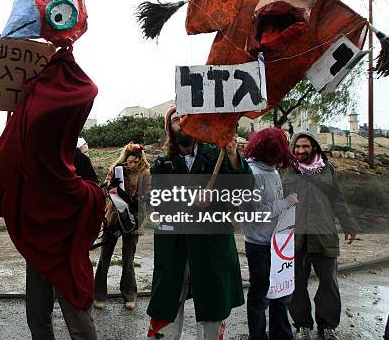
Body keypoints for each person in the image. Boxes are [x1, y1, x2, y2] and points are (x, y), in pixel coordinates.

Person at [146, 106, 251, 340]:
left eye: (186, 118)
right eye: (175, 120)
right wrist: (191, 199)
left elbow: (242, 192)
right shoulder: (162, 165)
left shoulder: (218, 156)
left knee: (212, 310)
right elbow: (158, 202)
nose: (182, 123)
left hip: (210, 246)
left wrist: (233, 156)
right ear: (169, 130)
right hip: (175, 248)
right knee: (167, 308)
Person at [282, 131, 357, 340]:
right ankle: (302, 325)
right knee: (297, 283)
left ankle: (328, 326)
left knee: (329, 283)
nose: (300, 151)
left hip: (324, 234)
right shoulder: (286, 170)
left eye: (305, 147)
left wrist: (349, 224)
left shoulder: (327, 169)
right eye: (297, 147)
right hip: (296, 237)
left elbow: (338, 199)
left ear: (314, 147)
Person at [241, 127, 298, 340]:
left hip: (278, 243)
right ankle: (257, 336)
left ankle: (281, 335)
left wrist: (286, 208)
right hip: (259, 244)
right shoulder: (252, 174)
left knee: (280, 292)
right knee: (260, 295)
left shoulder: (272, 170)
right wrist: (285, 203)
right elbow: (253, 215)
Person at [93, 142, 151, 311]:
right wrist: (110, 183)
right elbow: (104, 192)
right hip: (113, 217)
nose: (132, 164)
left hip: (133, 218)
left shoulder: (145, 173)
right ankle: (99, 295)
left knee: (128, 259)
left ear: (140, 160)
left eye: (135, 161)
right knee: (105, 257)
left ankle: (129, 295)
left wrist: (137, 206)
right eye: (129, 161)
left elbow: (147, 197)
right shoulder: (117, 169)